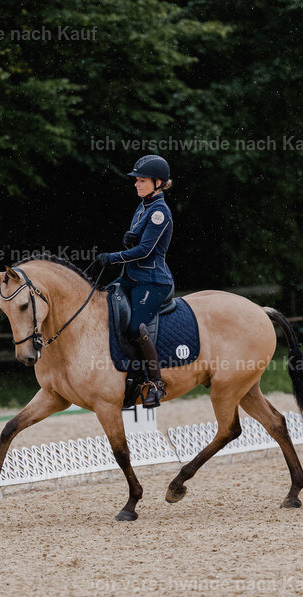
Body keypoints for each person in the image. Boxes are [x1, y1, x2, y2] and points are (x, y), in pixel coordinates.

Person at [96, 154, 174, 408]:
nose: (136, 184)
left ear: (158, 182)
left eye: (141, 180)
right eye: (137, 180)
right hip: (131, 277)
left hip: (152, 281)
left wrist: (114, 257)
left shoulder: (160, 211)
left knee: (136, 326)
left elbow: (145, 251)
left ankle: (156, 384)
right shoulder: (143, 207)